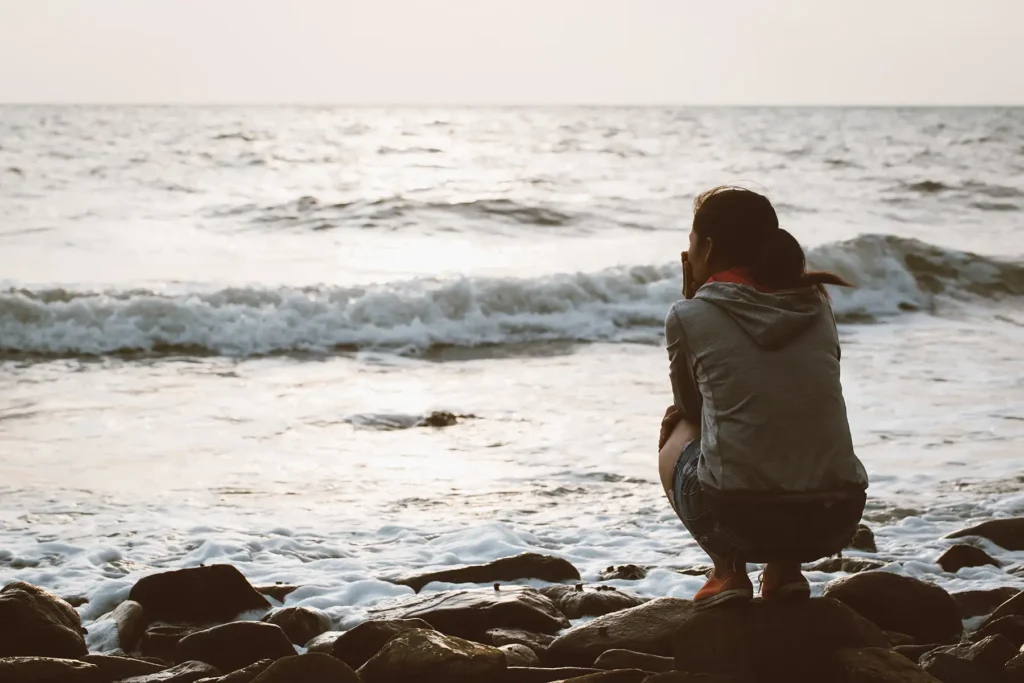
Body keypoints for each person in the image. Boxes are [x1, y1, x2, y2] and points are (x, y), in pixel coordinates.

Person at [658, 186, 869, 610]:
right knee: (783, 414)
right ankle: (785, 571)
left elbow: (694, 408)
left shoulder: (689, 315)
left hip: (742, 521)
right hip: (835, 517)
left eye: (691, 240)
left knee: (677, 425)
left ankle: (727, 571)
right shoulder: (816, 302)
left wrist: (693, 298)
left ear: (709, 246)